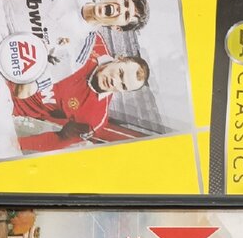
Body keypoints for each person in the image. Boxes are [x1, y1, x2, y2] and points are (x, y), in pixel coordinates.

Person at [9, 33, 150, 152]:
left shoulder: (95, 119)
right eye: (120, 73)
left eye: (123, 85)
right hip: (12, 61)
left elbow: (59, 140)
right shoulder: (94, 41)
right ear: (119, 58)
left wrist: (18, 144)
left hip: (9, 103)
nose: (115, 82)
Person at [0, 0, 148, 73]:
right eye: (125, 3)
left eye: (126, 15)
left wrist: (41, 55)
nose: (120, 9)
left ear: (117, 28)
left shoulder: (79, 50)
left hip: (0, 50)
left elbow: (29, 77)